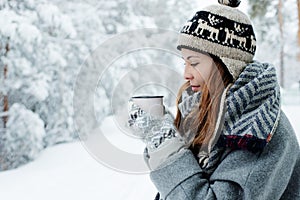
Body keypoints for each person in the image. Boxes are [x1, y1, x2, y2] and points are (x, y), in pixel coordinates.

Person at [128, 0, 300, 199]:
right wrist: (160, 134)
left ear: (226, 65)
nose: (186, 74)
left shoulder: (257, 133)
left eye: (194, 63)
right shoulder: (207, 113)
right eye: (184, 62)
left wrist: (164, 144)